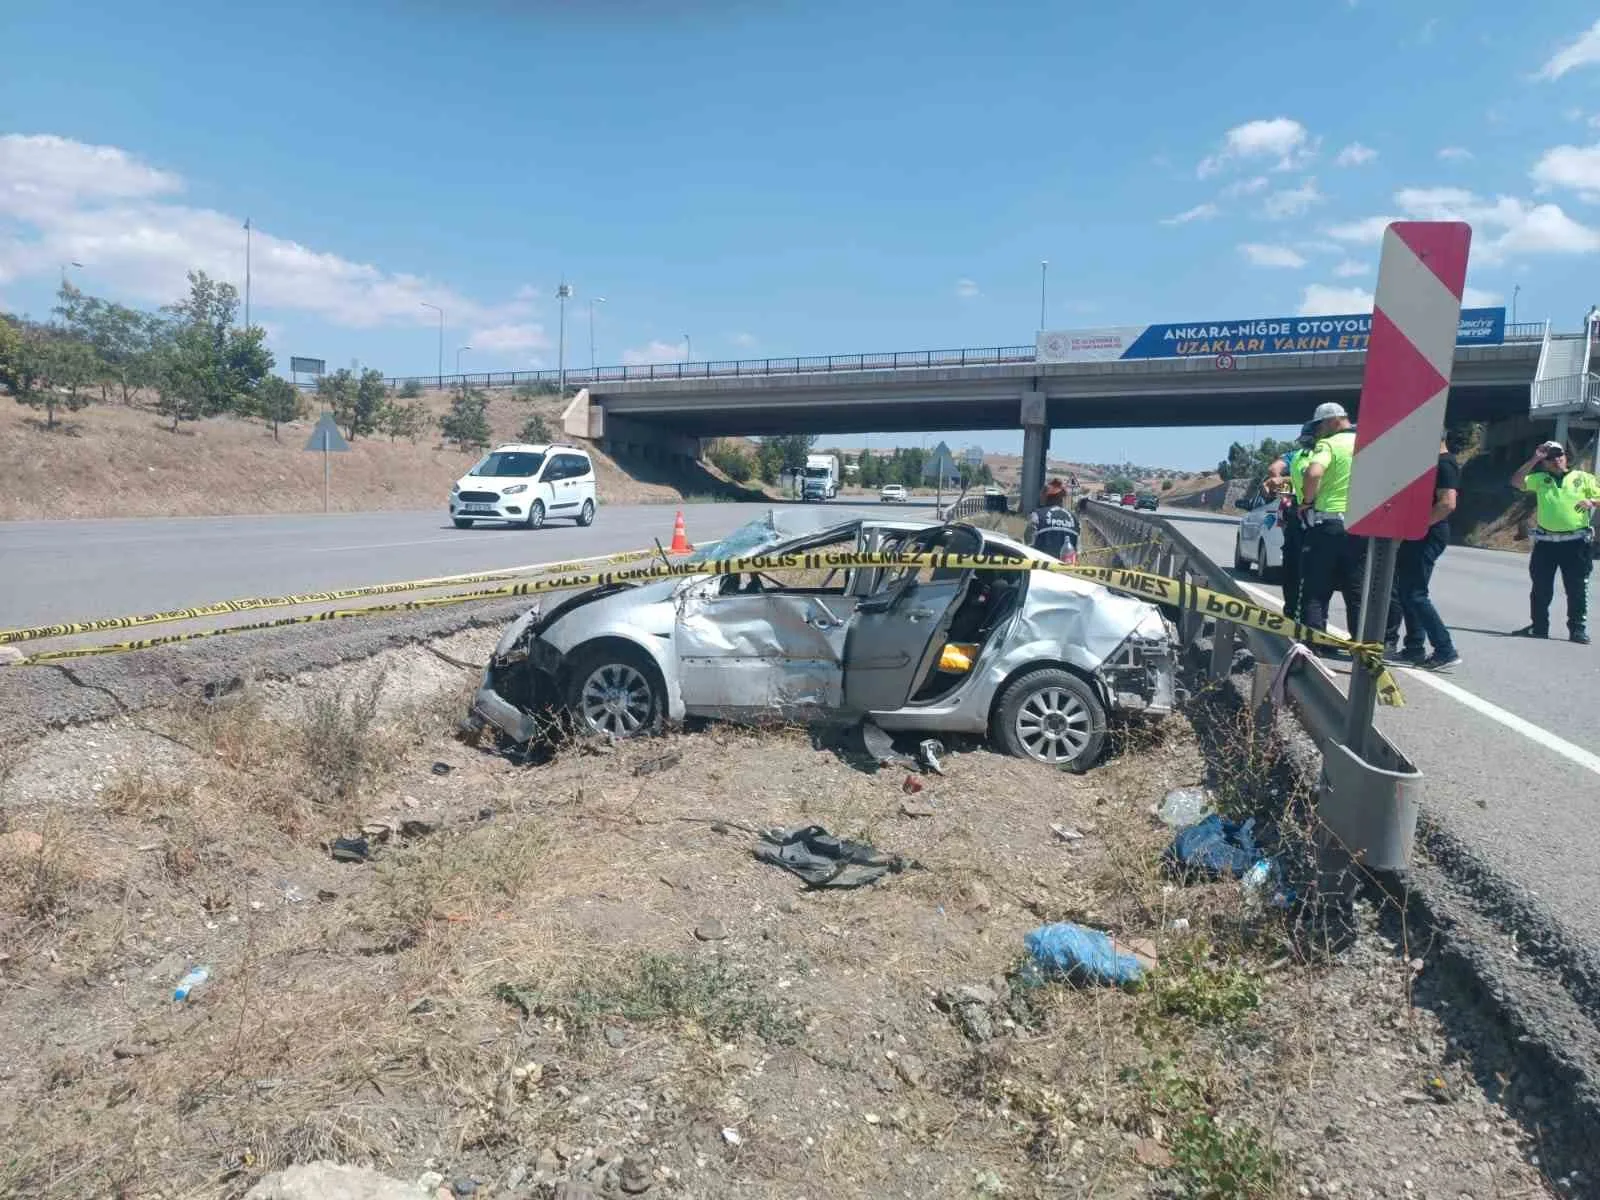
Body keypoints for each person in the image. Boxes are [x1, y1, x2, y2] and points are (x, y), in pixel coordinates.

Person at [1383, 430, 1464, 669]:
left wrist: (1415, 527)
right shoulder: (1433, 463)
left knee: (1416, 593)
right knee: (1407, 591)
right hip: (1421, 532)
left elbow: (1447, 503)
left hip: (1429, 533)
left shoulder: (1445, 464)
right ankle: (1414, 647)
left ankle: (1445, 650)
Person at [1511, 440, 1600, 643]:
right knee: (1541, 587)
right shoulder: (1540, 479)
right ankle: (1539, 627)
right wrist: (1535, 458)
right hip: (1546, 543)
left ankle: (1577, 629)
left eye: (1559, 455)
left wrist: (1592, 501)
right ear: (1545, 463)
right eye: (1550, 458)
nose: (1556, 460)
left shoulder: (1583, 478)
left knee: (1577, 588)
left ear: (1566, 457)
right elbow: (1516, 482)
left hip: (1576, 543)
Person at [1298, 401, 1364, 650]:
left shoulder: (1328, 444)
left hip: (1329, 523)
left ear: (1333, 421)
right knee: (1355, 587)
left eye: (1320, 425)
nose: (1318, 431)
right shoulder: (1368, 443)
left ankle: (1315, 642)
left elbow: (1313, 473)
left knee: (1317, 585)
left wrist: (1307, 501)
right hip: (1359, 524)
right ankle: (1362, 646)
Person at [1264, 420, 1318, 621]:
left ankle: (1293, 615)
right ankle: (1311, 621)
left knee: (1293, 570)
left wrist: (1279, 481)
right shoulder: (1320, 455)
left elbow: (1273, 470)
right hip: (1318, 518)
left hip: (1301, 517)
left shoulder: (1297, 456)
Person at [1026, 478, 1079, 562]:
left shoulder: (1037, 515)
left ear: (1045, 497)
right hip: (1067, 570)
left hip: (1042, 570)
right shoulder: (1075, 519)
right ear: (1062, 498)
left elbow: (1028, 545)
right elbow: (1078, 551)